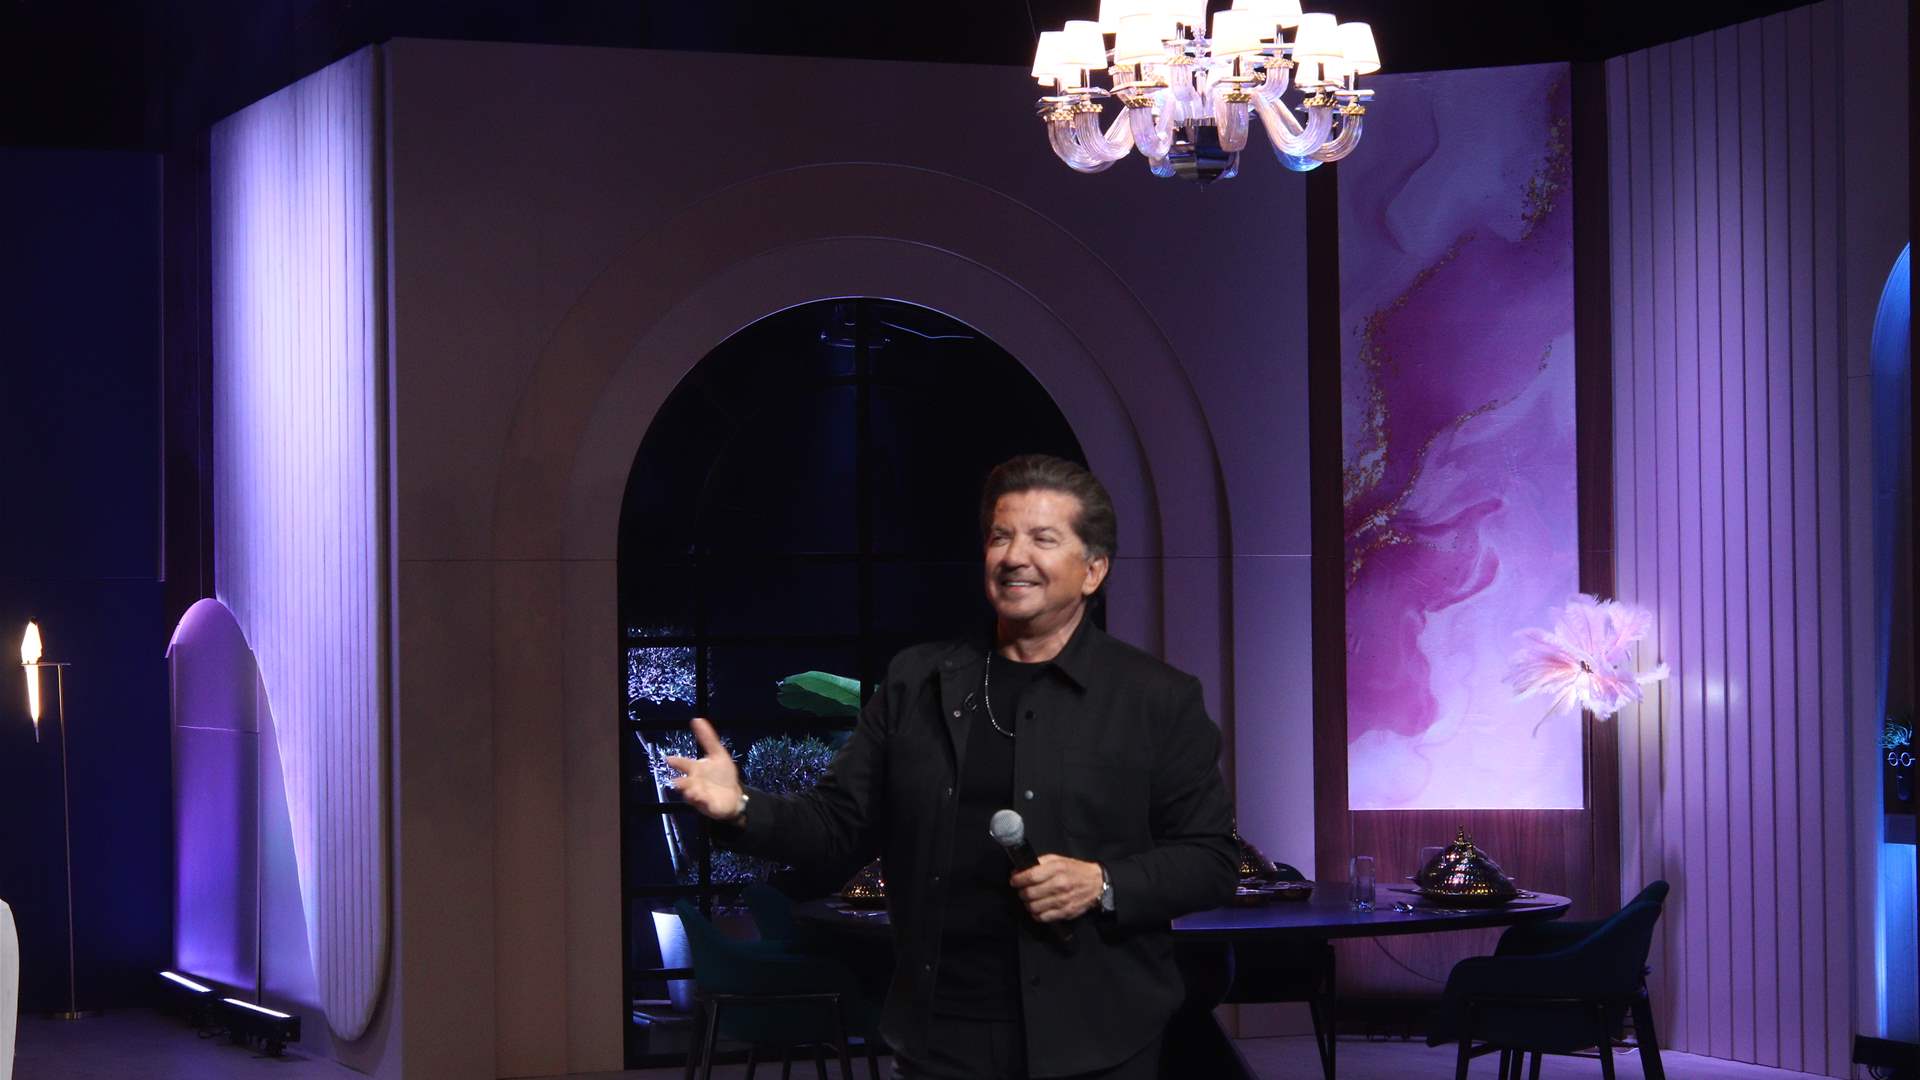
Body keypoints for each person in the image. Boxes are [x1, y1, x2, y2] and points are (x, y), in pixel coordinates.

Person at [669, 454, 1237, 1079]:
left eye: (1043, 539)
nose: (1014, 556)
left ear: (1094, 569)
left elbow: (1210, 859)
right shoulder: (917, 681)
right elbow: (836, 825)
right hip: (940, 1035)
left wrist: (1102, 882)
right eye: (1001, 536)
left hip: (1098, 1038)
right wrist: (741, 808)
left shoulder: (1155, 698)